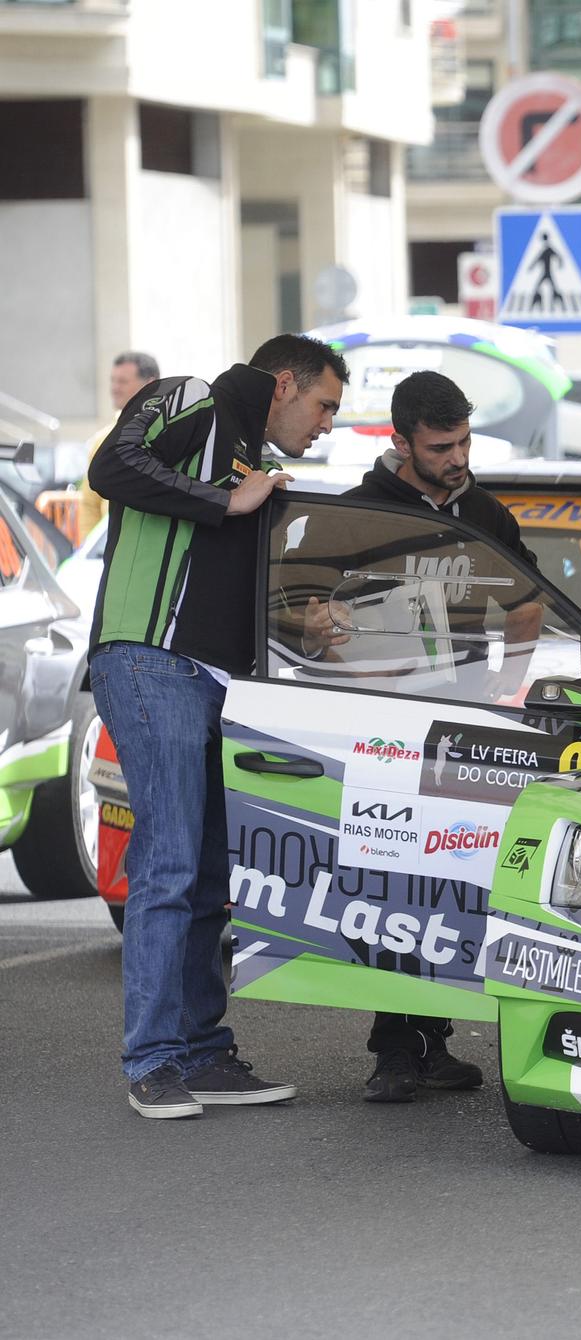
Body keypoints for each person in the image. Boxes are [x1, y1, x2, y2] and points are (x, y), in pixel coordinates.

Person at [88, 333, 347, 1119]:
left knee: (205, 873)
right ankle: (155, 1060)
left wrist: (301, 630)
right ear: (283, 382)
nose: (328, 423)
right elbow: (109, 467)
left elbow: (220, 583)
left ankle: (202, 1051)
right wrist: (225, 499)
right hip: (147, 660)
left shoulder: (255, 462)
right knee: (169, 862)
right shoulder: (192, 396)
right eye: (325, 404)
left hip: (210, 678)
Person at [334, 369, 534, 1103]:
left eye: (464, 441)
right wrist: (335, 648)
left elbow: (528, 604)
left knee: (452, 885)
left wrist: (507, 687)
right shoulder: (355, 514)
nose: (457, 457)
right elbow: (309, 621)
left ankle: (431, 1039)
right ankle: (394, 1049)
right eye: (441, 446)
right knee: (392, 886)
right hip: (383, 732)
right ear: (402, 442)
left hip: (467, 730)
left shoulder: (486, 512)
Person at [76, 351, 162, 537]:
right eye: (113, 380)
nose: (114, 388)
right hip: (111, 549)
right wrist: (88, 550)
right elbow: (89, 504)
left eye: (123, 381)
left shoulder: (167, 435)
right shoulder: (102, 440)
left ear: (150, 384)